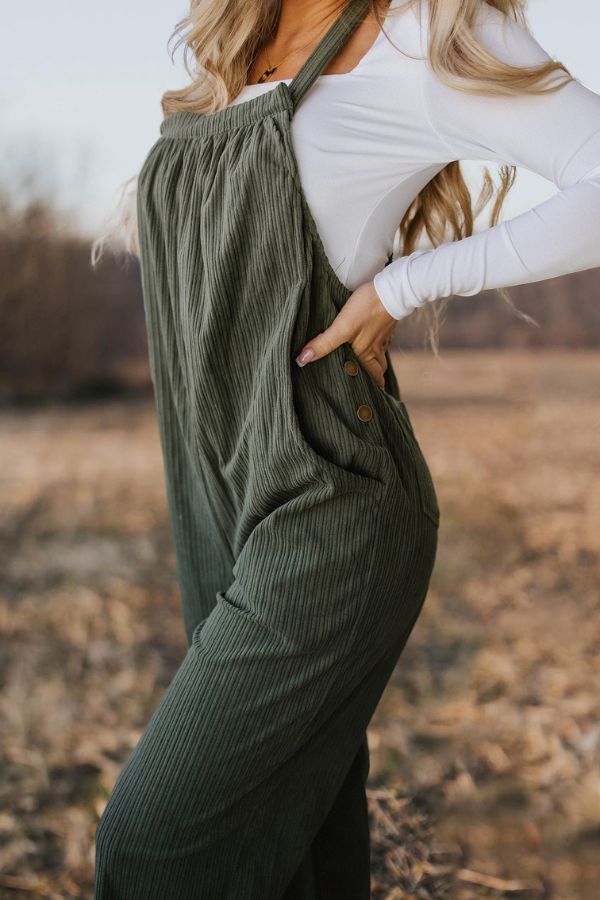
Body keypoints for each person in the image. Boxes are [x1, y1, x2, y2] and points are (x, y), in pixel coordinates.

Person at [91, 1, 600, 897]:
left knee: (155, 846)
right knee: (294, 847)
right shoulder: (233, 51)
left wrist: (407, 282)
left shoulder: (427, 31)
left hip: (333, 502)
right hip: (216, 498)